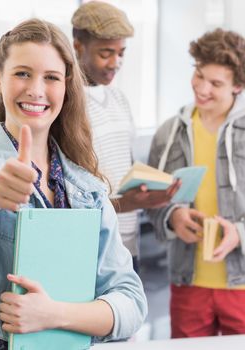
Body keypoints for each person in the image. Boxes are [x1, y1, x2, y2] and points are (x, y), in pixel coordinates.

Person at [0, 19, 147, 349]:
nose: (36, 89)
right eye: (22, 73)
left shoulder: (89, 189)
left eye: (50, 77)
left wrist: (54, 314)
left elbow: (131, 304)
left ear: (65, 86)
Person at [147, 28, 245, 338]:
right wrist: (172, 218)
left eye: (216, 84)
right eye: (199, 76)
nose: (202, 89)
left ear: (238, 86)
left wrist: (242, 233)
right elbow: (149, 199)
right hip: (188, 282)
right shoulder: (168, 133)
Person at [72, 1, 179, 272]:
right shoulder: (67, 103)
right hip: (91, 243)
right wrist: (122, 203)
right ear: (77, 47)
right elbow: (68, 188)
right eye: (106, 53)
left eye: (121, 53)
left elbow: (126, 167)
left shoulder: (119, 98)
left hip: (127, 239)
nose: (115, 63)